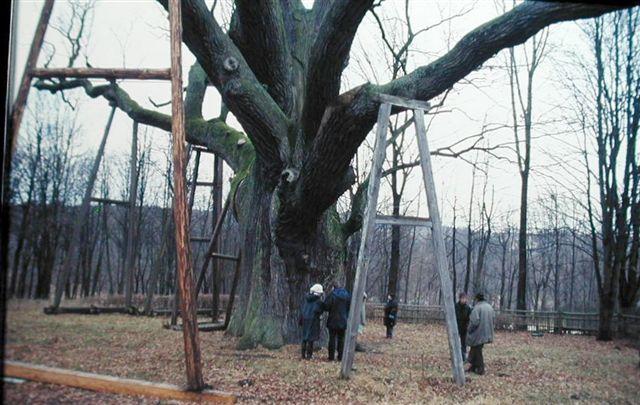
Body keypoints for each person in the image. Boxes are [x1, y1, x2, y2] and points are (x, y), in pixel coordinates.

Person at [466, 292, 495, 375]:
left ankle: (481, 369)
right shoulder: (490, 307)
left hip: (478, 333)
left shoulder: (477, 308)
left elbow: (474, 322)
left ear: (477, 299)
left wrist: (469, 329)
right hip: (487, 332)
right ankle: (473, 366)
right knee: (475, 348)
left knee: (477, 350)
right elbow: (493, 319)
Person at [322, 282, 351, 361]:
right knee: (341, 339)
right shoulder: (347, 295)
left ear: (333, 287)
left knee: (332, 339)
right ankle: (340, 357)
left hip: (333, 320)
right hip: (343, 320)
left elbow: (326, 306)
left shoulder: (332, 295)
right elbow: (349, 306)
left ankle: (331, 357)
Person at [300, 283, 324, 360]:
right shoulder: (318, 301)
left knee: (304, 338)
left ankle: (303, 354)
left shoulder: (307, 299)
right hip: (313, 320)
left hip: (305, 318)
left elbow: (303, 309)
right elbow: (319, 310)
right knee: (310, 339)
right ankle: (309, 355)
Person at [455, 292, 472, 361]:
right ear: (460, 299)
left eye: (465, 298)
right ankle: (455, 355)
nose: (463, 300)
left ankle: (463, 356)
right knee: (455, 342)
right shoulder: (456, 306)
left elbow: (469, 318)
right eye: (462, 298)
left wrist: (467, 325)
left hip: (464, 328)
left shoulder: (468, 308)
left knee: (464, 343)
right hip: (456, 327)